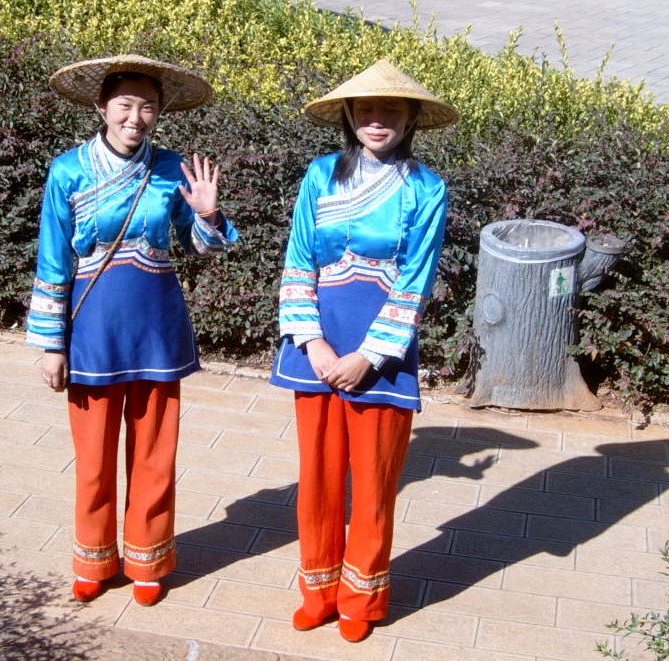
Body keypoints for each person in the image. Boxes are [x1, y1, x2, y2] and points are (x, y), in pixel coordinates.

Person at [26, 54, 237, 607]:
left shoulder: (173, 169)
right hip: (91, 329)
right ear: (102, 107)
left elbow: (205, 245)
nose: (135, 117)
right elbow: (53, 260)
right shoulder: (67, 171)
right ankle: (94, 557)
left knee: (155, 453)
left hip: (157, 329)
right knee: (93, 457)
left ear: (161, 112)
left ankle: (148, 559)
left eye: (148, 106)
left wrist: (210, 216)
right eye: (125, 104)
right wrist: (52, 344)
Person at [269, 58, 459, 642]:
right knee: (318, 478)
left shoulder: (427, 189)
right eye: (368, 110)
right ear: (349, 116)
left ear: (411, 121)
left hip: (382, 356)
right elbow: (299, 258)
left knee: (374, 483)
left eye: (392, 112)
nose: (378, 121)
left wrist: (367, 357)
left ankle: (363, 598)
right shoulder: (320, 174)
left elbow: (415, 280)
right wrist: (316, 343)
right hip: (317, 346)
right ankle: (318, 588)